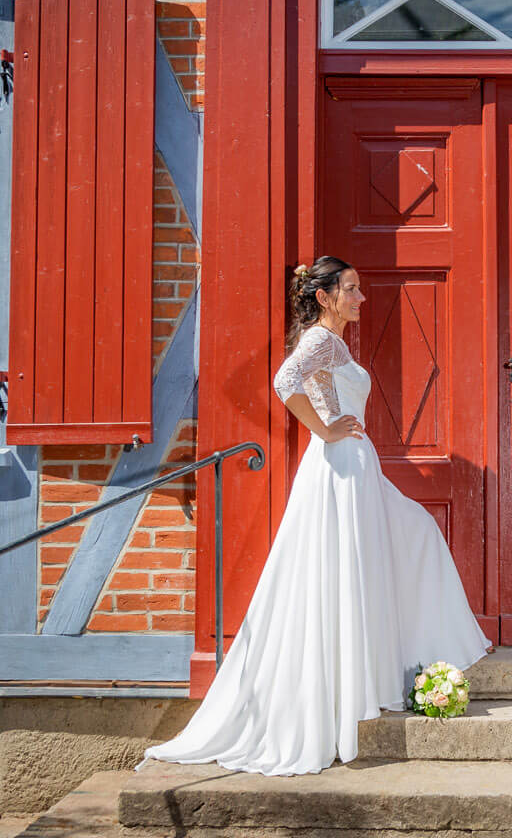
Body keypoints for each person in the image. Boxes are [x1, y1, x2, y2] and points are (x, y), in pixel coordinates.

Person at [142, 256, 490, 775]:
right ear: (325, 296)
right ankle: (352, 688)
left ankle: (374, 674)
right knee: (366, 559)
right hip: (340, 466)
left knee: (408, 537)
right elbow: (286, 382)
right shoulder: (322, 339)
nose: (361, 299)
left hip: (352, 464)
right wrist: (324, 430)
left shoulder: (333, 341)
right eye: (351, 290)